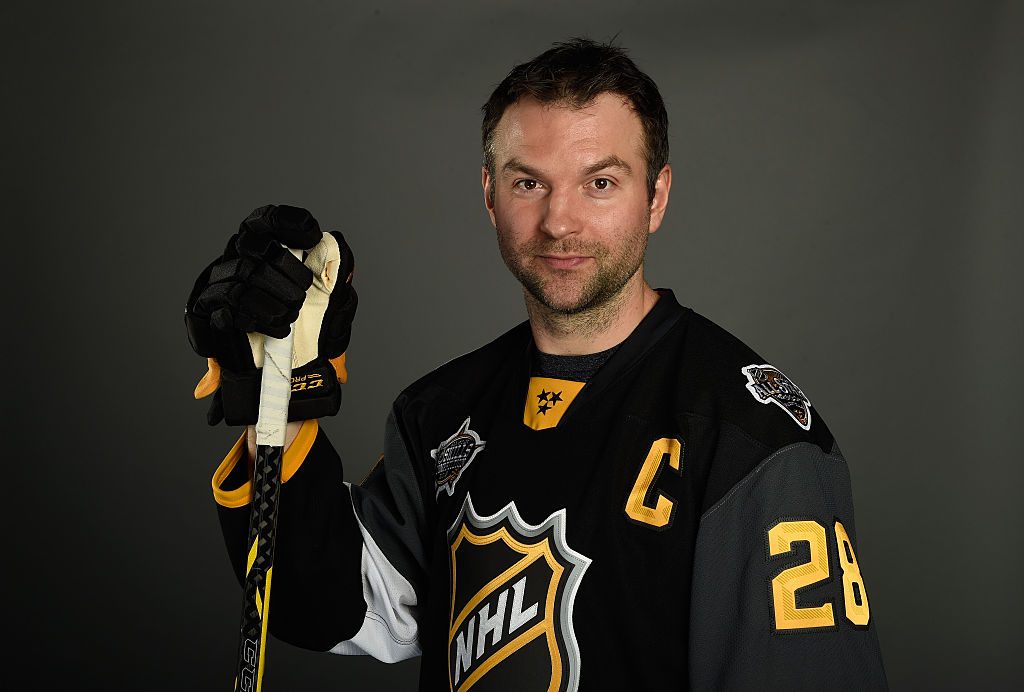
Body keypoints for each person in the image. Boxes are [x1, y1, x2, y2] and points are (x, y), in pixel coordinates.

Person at [186, 38, 887, 690]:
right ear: (489, 194)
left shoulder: (755, 441)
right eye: (529, 184)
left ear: (658, 195)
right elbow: (335, 609)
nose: (559, 221)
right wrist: (274, 408)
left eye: (601, 183)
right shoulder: (441, 410)